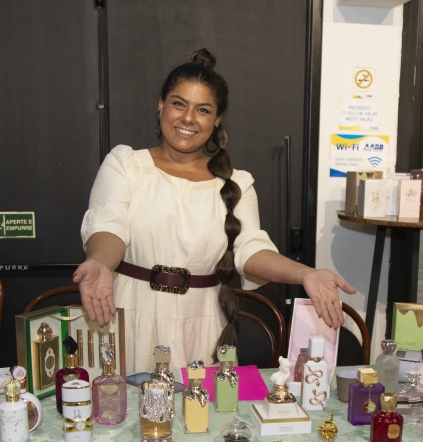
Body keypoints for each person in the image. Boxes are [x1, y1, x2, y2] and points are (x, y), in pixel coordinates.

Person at [74, 48, 355, 373]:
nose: (188, 118)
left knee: (198, 405)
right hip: (131, 311)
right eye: (179, 104)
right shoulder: (126, 164)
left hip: (204, 322)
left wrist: (305, 274)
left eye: (203, 110)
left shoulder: (236, 183)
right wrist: (99, 262)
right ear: (161, 104)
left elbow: (250, 250)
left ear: (217, 119)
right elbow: (109, 227)